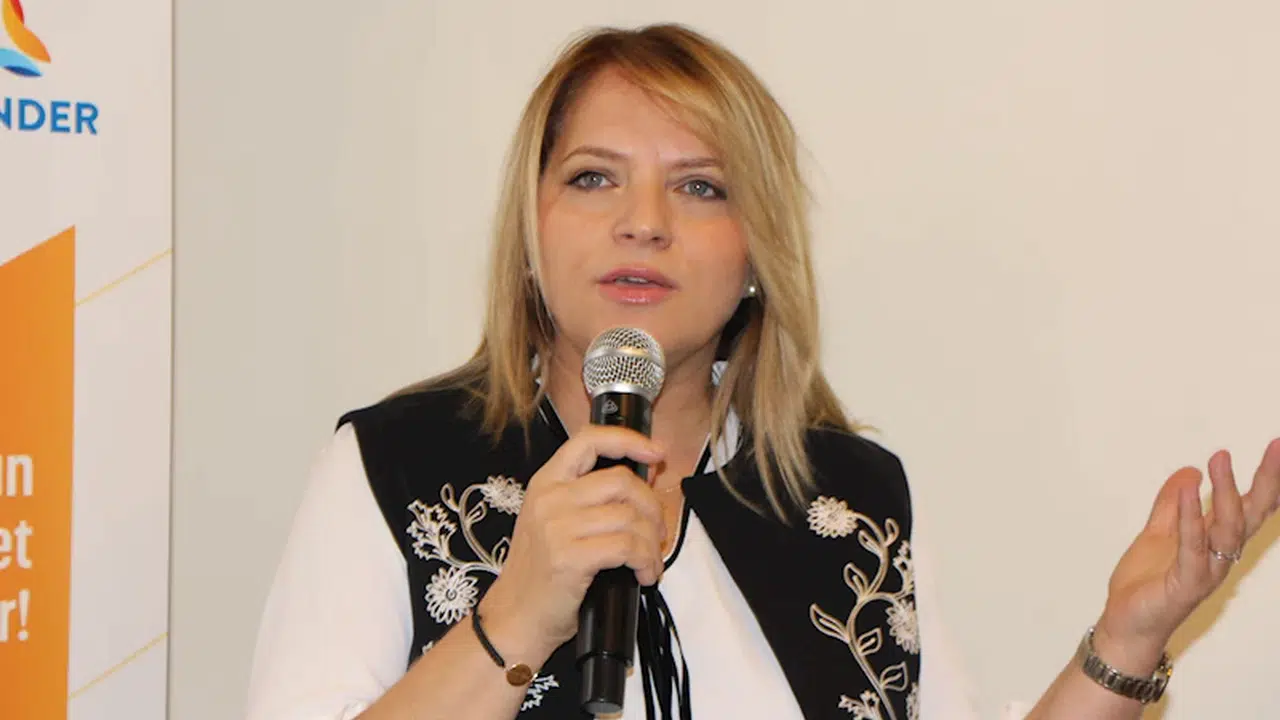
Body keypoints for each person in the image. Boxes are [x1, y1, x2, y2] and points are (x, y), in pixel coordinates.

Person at [244, 22, 1280, 720]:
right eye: (594, 178)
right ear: (530, 233)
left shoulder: (849, 499)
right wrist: (516, 617)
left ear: (755, 256)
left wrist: (1126, 640)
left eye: (700, 187)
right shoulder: (397, 465)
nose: (643, 222)